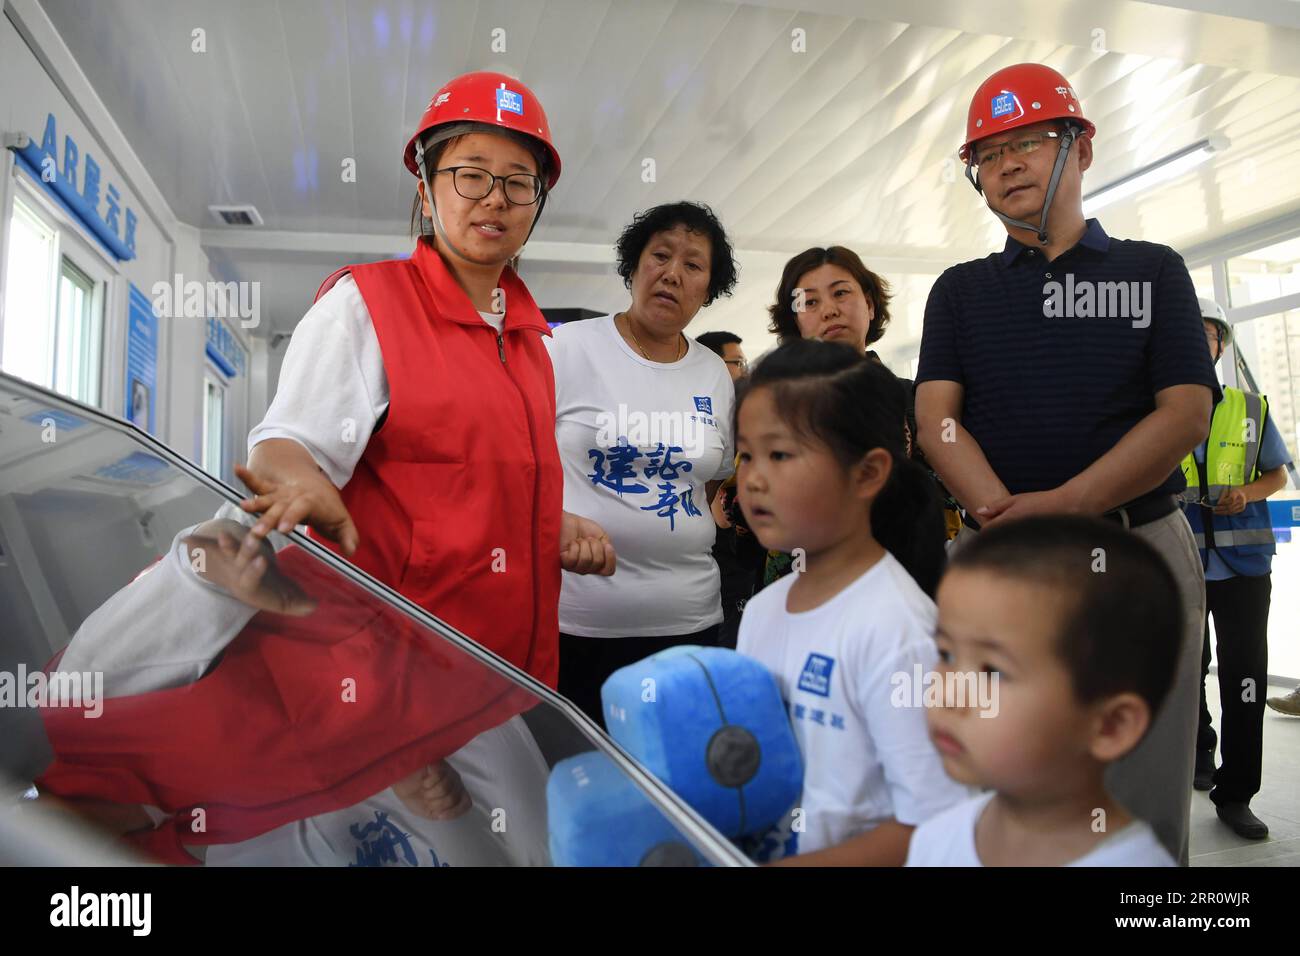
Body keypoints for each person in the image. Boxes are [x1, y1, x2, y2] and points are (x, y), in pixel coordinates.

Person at [35, 71, 614, 860]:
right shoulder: (367, 307)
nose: (494, 199)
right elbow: (287, 444)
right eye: (470, 174)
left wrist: (554, 522)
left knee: (532, 844)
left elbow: (480, 488)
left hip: (493, 674)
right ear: (426, 181)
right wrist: (299, 476)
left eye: (519, 182)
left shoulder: (534, 344)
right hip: (385, 671)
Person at [914, 62, 1217, 864]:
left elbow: (1186, 411)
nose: (1007, 164)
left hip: (1139, 551)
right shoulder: (958, 292)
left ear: (1080, 149)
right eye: (989, 153)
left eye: (1030, 142)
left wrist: (1072, 502)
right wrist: (997, 515)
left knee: (1144, 784)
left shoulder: (1153, 271)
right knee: (1001, 772)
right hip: (1001, 558)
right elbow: (934, 420)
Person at [734, 340, 968, 865]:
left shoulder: (898, 631)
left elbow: (933, 823)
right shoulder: (764, 610)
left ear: (866, 473)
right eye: (746, 453)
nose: (752, 477)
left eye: (780, 454)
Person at [545, 201, 739, 725]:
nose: (672, 274)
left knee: (679, 779)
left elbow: (715, 472)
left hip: (690, 620)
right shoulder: (566, 348)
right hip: (581, 623)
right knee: (584, 776)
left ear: (708, 289)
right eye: (659, 256)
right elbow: (516, 458)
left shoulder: (714, 373)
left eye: (693, 266)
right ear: (634, 267)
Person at [907, 516, 1179, 867]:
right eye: (946, 654)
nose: (945, 693)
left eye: (992, 671)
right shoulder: (935, 838)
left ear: (1110, 725)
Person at [758, 245, 947, 594]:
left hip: (908, 585)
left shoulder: (919, 400)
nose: (829, 310)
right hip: (802, 590)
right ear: (795, 321)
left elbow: (945, 499)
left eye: (841, 293)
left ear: (871, 306)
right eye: (809, 302)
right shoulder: (774, 410)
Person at [1182, 297, 1289, 839]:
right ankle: (1201, 749)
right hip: (1179, 562)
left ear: (1221, 344)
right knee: (1188, 668)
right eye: (1189, 333)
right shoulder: (1153, 411)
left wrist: (1246, 493)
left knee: (1245, 677)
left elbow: (1278, 476)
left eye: (1209, 335)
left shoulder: (1251, 407)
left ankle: (1237, 792)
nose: (1201, 343)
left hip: (1245, 565)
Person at [697, 330, 765, 649]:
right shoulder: (703, 423)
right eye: (737, 362)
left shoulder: (744, 418)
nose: (744, 370)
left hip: (742, 561)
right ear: (713, 365)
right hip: (718, 560)